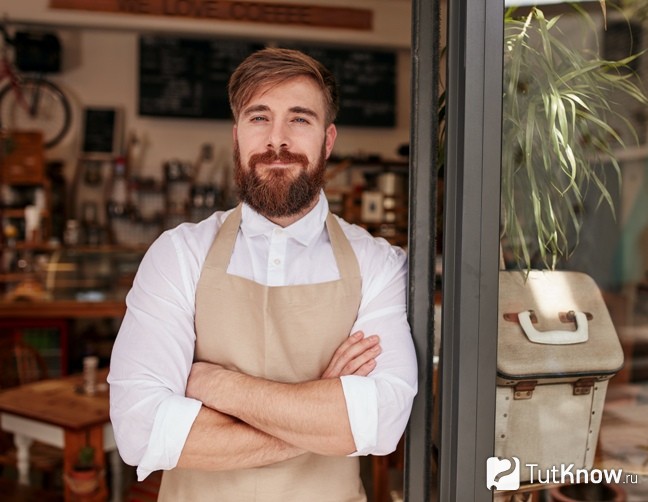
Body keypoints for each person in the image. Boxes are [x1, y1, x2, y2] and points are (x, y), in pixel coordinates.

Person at [108, 47, 417, 501]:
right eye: (259, 118)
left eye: (299, 119)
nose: (278, 141)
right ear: (237, 136)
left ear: (327, 140)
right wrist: (323, 410)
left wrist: (214, 384)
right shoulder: (178, 255)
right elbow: (141, 431)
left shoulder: (378, 264)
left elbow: (383, 424)